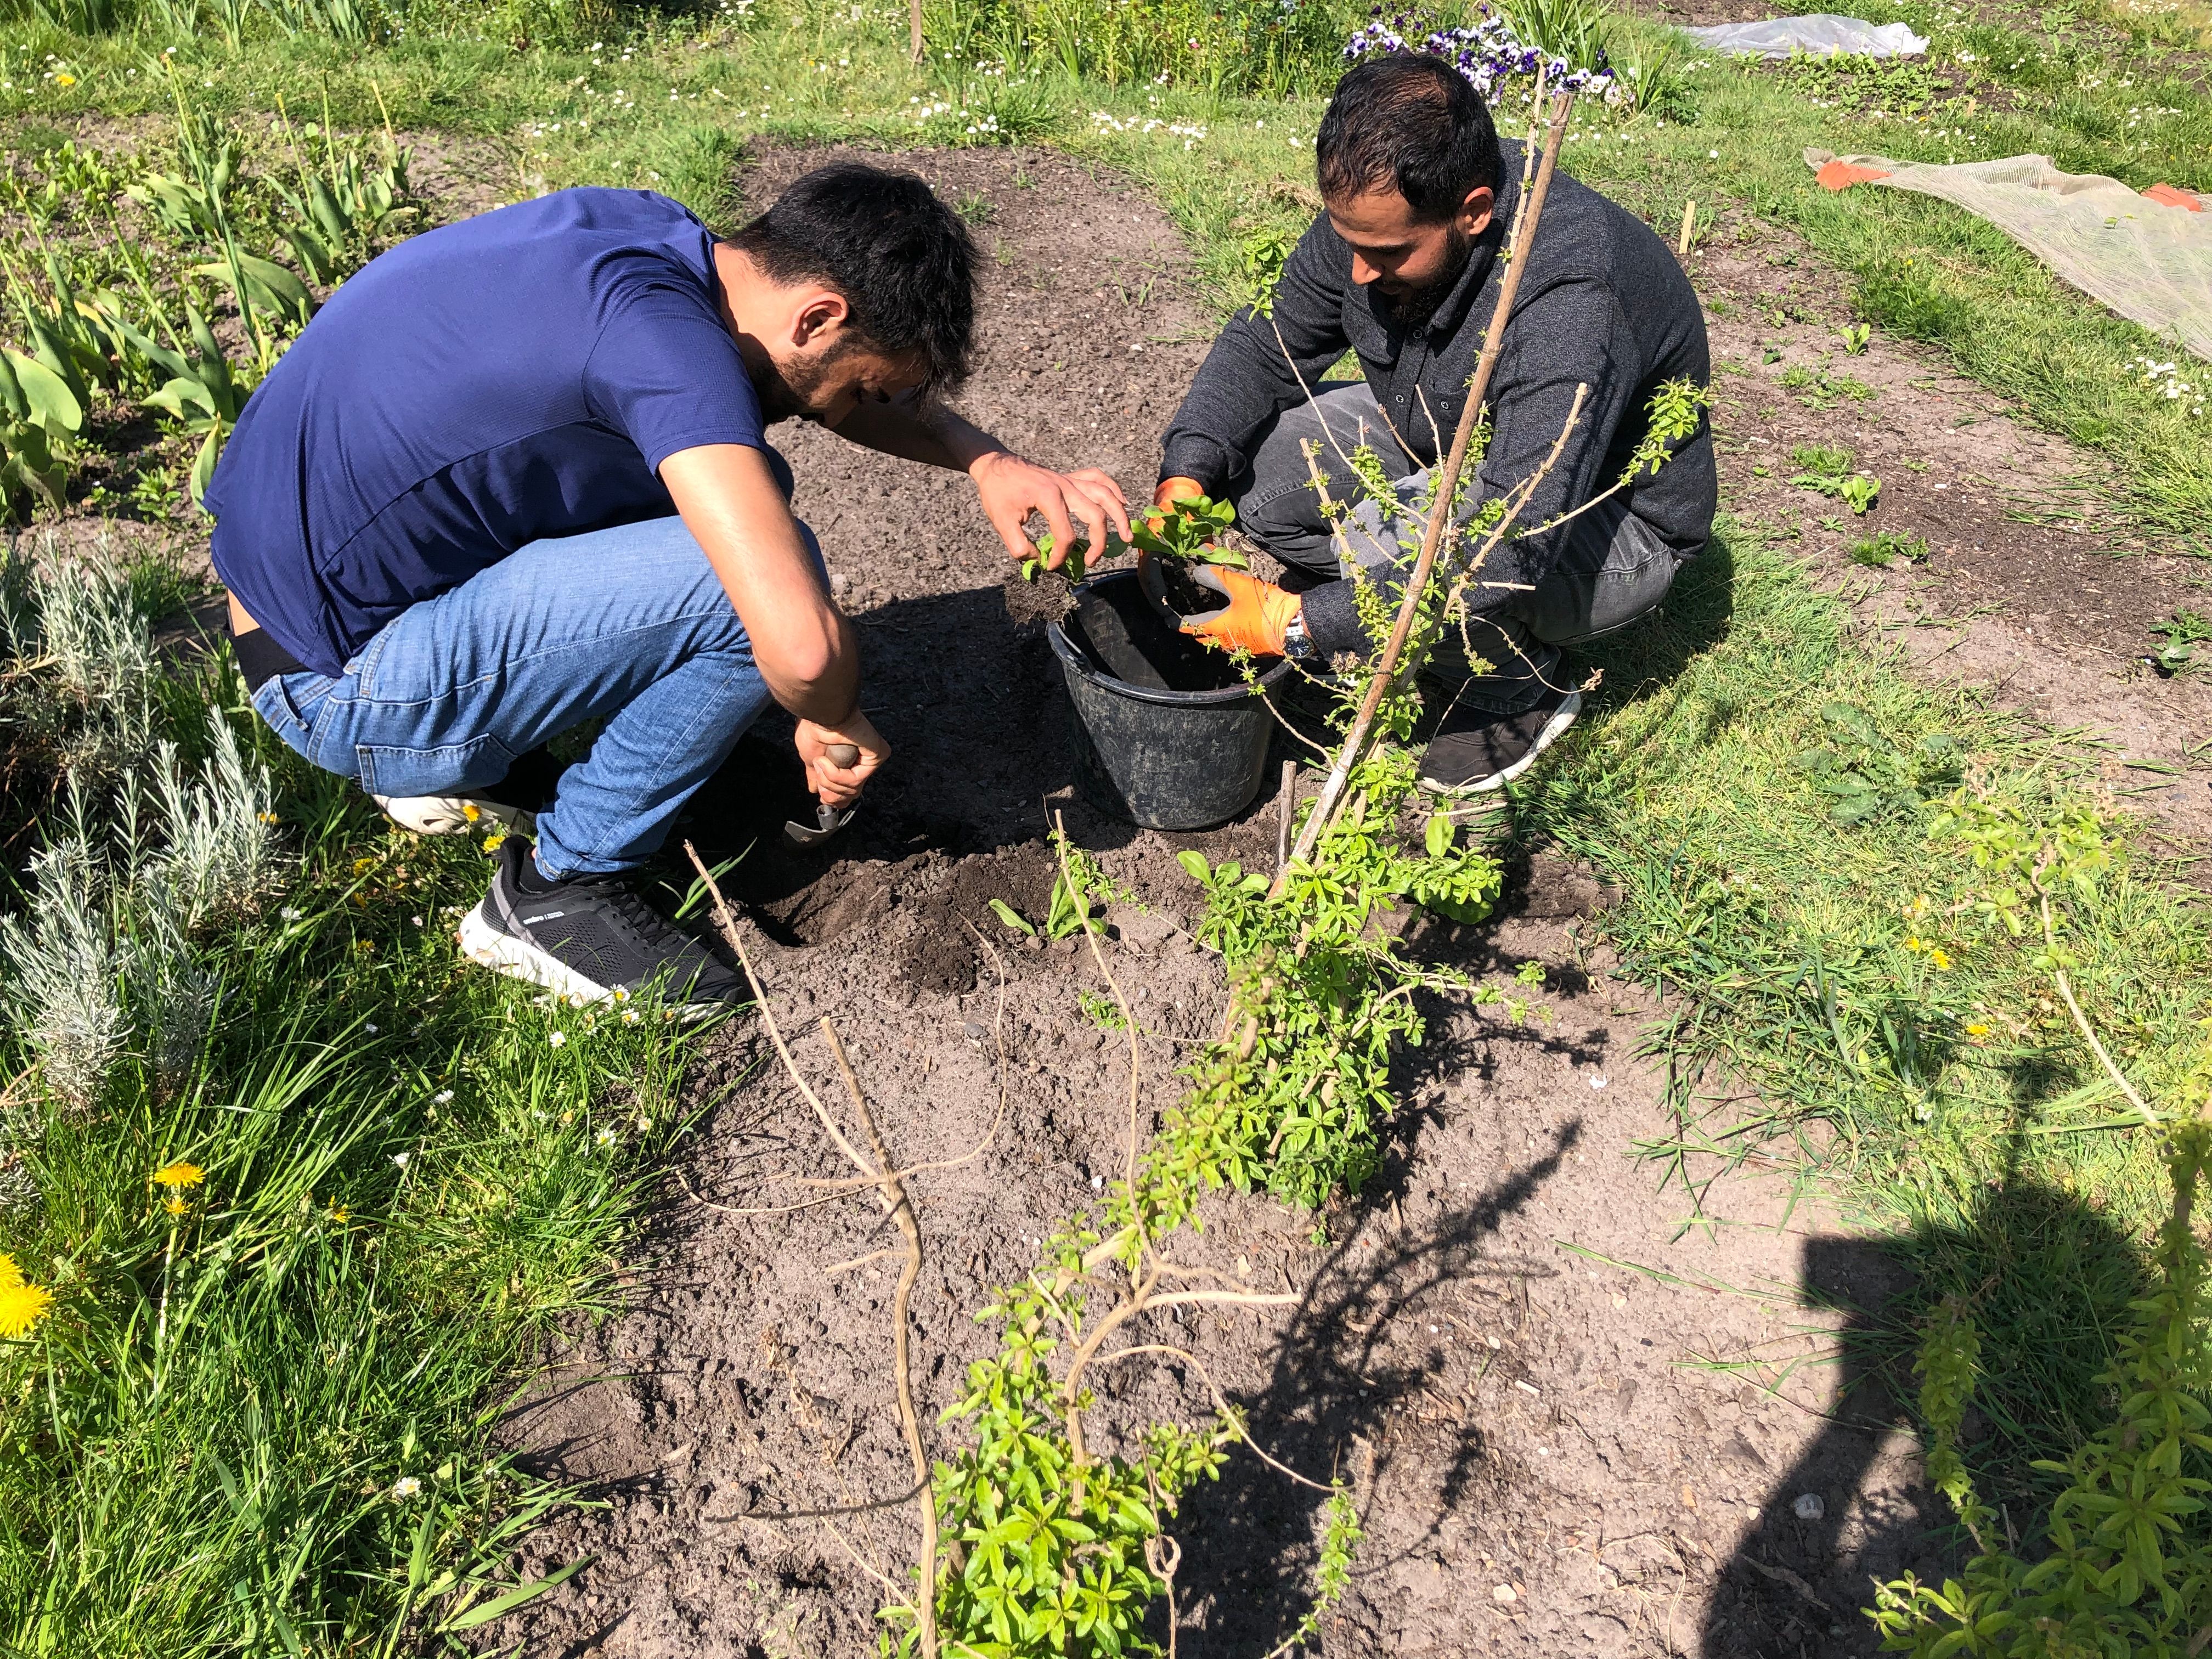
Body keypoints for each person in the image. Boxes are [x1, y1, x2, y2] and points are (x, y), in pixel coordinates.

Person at [210, 164, 1130, 1012]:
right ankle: (552, 893)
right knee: (759, 588)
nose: (850, 415)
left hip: (295, 592)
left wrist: (985, 457)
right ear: (817, 316)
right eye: (861, 390)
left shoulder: (655, 239)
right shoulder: (668, 355)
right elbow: (801, 646)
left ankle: (479, 758)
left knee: (742, 498)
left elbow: (781, 391)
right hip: (337, 680)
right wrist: (831, 711)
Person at [1153, 52, 1714, 797]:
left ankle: (1515, 685)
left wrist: (1299, 623)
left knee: (1394, 544)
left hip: (1599, 519)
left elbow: (1516, 538)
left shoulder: (1570, 296)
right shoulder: (1378, 208)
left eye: (1384, 253)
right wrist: (1183, 479)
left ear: (1474, 212)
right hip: (1445, 433)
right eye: (1347, 241)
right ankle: (1383, 604)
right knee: (1257, 478)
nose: (1354, 271)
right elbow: (1263, 344)